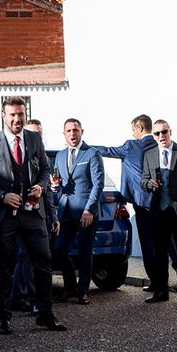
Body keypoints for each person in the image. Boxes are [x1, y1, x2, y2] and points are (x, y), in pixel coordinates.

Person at [0, 96, 66, 334]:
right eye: (12, 114)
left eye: (20, 114)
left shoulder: (34, 139)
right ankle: (4, 319)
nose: (17, 119)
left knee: (43, 262)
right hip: (4, 216)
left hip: (33, 214)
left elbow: (45, 169)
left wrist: (41, 186)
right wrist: (1, 195)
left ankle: (46, 314)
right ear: (3, 115)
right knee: (4, 266)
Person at [93, 115, 158, 289]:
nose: (132, 133)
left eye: (133, 130)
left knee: (147, 243)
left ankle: (156, 282)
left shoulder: (131, 145)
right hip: (160, 201)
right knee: (167, 241)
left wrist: (86, 148)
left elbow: (108, 150)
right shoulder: (158, 144)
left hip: (141, 201)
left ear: (140, 129)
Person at [9, 119, 59, 315]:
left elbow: (48, 192)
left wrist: (53, 216)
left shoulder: (42, 157)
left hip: (40, 215)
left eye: (39, 133)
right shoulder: (16, 156)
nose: (36, 137)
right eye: (33, 133)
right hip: (20, 216)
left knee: (25, 258)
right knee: (31, 258)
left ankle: (15, 298)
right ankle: (35, 299)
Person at [51, 118, 104, 305]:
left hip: (85, 212)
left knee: (84, 252)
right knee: (59, 250)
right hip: (66, 210)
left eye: (75, 130)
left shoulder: (91, 153)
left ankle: (82, 291)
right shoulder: (59, 155)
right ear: (64, 134)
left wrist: (89, 209)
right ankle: (70, 288)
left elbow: (98, 184)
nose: (72, 134)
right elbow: (58, 181)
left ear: (82, 131)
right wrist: (55, 186)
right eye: (69, 131)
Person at [140, 119, 177, 304]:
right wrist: (149, 184)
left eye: (164, 132)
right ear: (153, 136)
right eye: (157, 133)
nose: (161, 136)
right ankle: (161, 291)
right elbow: (143, 180)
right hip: (158, 211)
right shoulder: (149, 154)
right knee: (159, 253)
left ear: (170, 132)